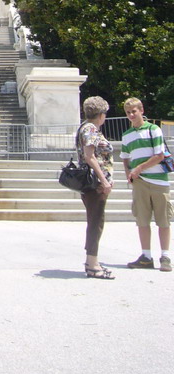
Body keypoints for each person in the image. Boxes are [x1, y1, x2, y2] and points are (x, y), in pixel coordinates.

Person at [121, 97, 172, 272]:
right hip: (140, 182)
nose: (131, 115)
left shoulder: (154, 129)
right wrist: (129, 173)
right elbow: (125, 157)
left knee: (163, 220)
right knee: (142, 220)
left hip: (158, 180)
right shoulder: (127, 135)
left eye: (134, 111)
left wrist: (139, 169)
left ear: (141, 110)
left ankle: (165, 256)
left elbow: (159, 155)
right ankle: (146, 256)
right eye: (128, 113)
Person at [75, 96, 114, 279]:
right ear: (101, 114)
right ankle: (92, 263)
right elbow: (89, 156)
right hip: (95, 184)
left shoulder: (85, 127)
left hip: (93, 183)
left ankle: (92, 260)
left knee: (95, 220)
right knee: (96, 222)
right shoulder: (90, 129)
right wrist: (104, 180)